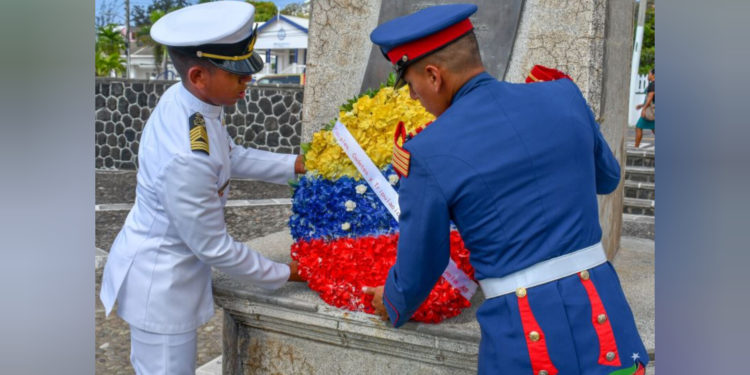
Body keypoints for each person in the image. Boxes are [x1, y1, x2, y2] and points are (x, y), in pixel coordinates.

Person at [363, 4, 649, 374]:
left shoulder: (426, 152)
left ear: (434, 76)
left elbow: (423, 264)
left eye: (411, 84)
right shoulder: (562, 94)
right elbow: (608, 177)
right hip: (609, 329)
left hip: (526, 343)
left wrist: (393, 303)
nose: (414, 97)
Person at [99, 2, 305, 374]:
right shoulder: (187, 156)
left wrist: (296, 166)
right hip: (162, 287)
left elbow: (229, 154)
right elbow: (214, 246)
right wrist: (287, 273)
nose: (249, 81)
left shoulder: (192, 104)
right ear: (198, 76)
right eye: (238, 75)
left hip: (166, 269)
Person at [634, 69, 655, 148]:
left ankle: (636, 147)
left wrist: (644, 109)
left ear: (653, 75)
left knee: (638, 127)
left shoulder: (652, 85)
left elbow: (650, 98)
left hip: (650, 111)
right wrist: (641, 105)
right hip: (653, 110)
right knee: (654, 129)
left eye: (649, 73)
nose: (648, 75)